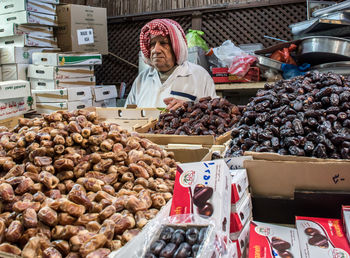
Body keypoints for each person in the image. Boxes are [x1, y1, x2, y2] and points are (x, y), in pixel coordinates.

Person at [125, 18, 217, 110]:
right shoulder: (141, 80)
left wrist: (190, 107)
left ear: (176, 47)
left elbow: (214, 112)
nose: (156, 50)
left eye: (163, 43)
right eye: (152, 44)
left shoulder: (200, 76)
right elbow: (127, 114)